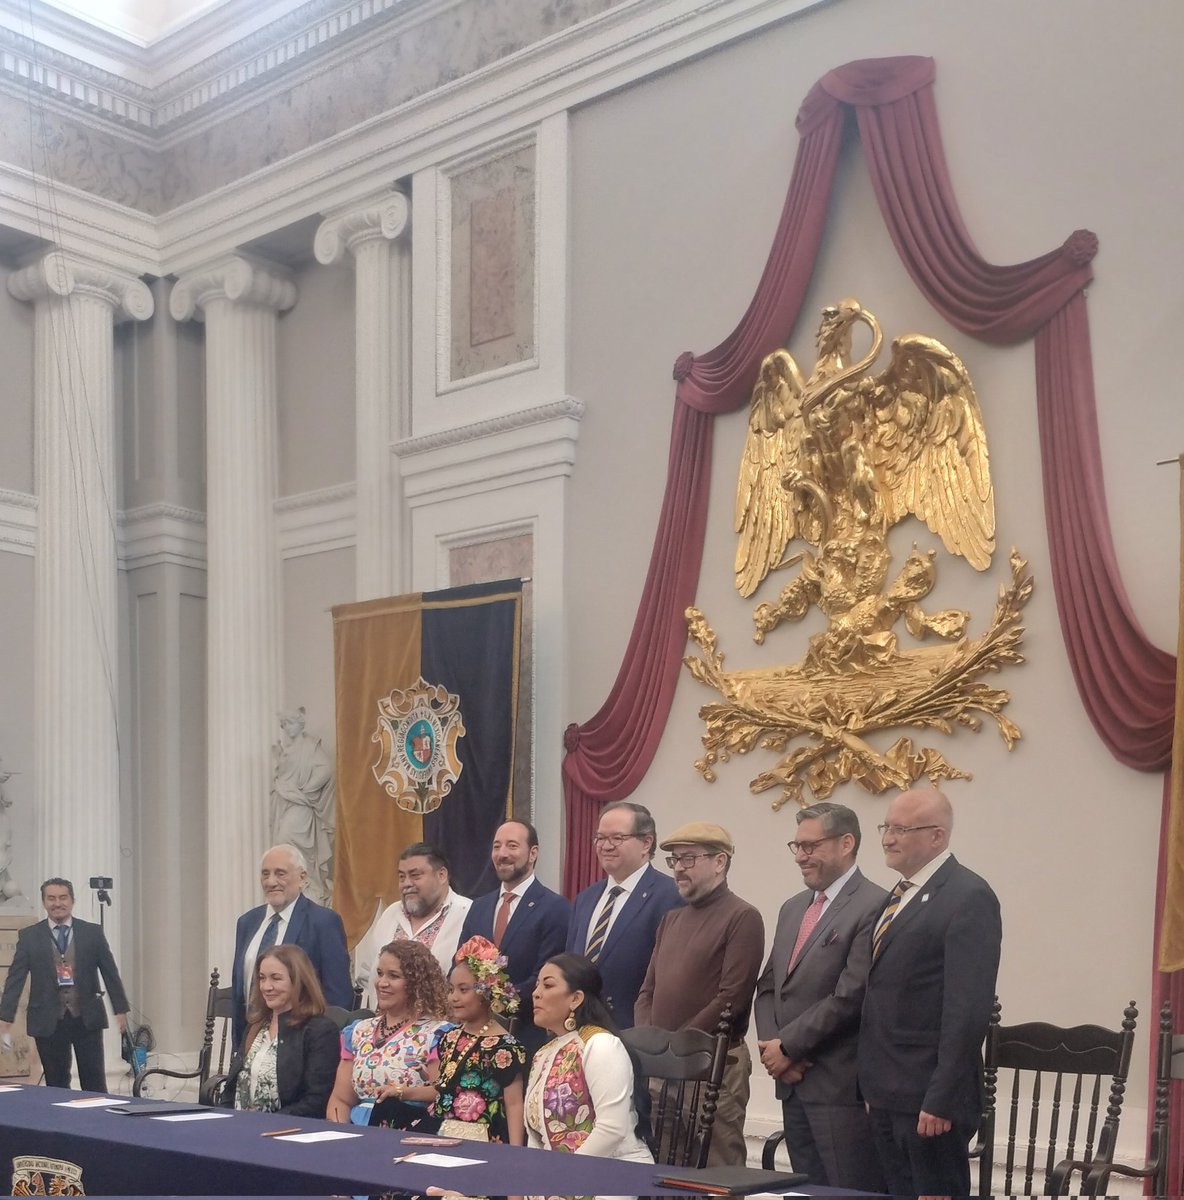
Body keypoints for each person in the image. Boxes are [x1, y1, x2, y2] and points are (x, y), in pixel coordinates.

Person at [858, 787, 1002, 1198]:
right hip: (887, 1092)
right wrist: (873, 1088)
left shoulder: (968, 895)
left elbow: (968, 1010)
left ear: (937, 836)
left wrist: (941, 1097)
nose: (887, 838)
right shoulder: (899, 895)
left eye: (901, 829)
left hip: (928, 1100)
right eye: (886, 827)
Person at [754, 802, 887, 1190]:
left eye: (810, 846)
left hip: (838, 1086)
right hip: (791, 1082)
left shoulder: (874, 904)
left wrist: (790, 1046)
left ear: (846, 843)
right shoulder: (792, 908)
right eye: (796, 846)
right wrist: (773, 1050)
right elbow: (767, 988)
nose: (800, 856)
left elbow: (851, 994)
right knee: (805, 1191)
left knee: (847, 1191)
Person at [635, 821, 763, 1167]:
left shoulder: (742, 917)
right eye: (674, 860)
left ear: (719, 862)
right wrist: (651, 1044)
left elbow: (731, 998)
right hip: (663, 1067)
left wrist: (676, 1045)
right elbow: (647, 991)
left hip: (715, 1068)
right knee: (665, 1166)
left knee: (717, 1169)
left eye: (688, 859)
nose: (678, 868)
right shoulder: (671, 920)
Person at [0, 877, 129, 1091]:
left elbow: (110, 972)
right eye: (51, 898)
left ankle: (97, 1122)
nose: (57, 903)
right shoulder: (30, 936)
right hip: (48, 1020)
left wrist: (120, 1008)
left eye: (62, 898)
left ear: (72, 901)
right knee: (56, 1084)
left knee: (94, 1082)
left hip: (86, 1018)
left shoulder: (92, 933)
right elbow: (16, 977)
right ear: (44, 902)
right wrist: (5, 1015)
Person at [526, 953, 653, 1161]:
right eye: (537, 985)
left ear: (575, 998)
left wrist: (562, 1175)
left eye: (547, 986)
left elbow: (612, 1129)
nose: (536, 993)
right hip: (557, 1175)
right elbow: (535, 1135)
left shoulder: (601, 1045)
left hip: (608, 1171)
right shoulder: (543, 1053)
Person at [565, 801, 681, 1028]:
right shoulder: (585, 899)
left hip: (635, 1033)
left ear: (646, 843)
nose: (605, 846)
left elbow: (669, 979)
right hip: (579, 1030)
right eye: (600, 838)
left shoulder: (670, 896)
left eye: (617, 838)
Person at [459, 820, 570, 1052]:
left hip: (528, 1034)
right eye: (496, 846)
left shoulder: (554, 907)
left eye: (512, 846)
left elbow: (545, 974)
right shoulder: (479, 906)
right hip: (475, 1033)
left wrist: (496, 1002)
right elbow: (460, 962)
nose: (502, 854)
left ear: (533, 853)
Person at [231, 844, 352, 1044]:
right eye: (265, 874)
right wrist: (239, 1046)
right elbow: (240, 988)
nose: (271, 882)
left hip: (301, 1044)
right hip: (251, 1042)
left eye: (280, 873)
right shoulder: (247, 923)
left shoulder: (323, 922)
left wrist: (321, 1046)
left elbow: (338, 995)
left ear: (302, 877)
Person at [326, 939, 451, 1128]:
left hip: (410, 1130)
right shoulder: (359, 1031)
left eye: (393, 976)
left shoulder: (437, 1034)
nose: (382, 983)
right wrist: (338, 1135)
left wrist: (402, 1092)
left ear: (416, 983)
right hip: (355, 1134)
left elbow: (442, 1093)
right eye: (379, 973)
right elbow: (341, 1099)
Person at [221, 943, 339, 1115]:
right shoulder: (256, 1026)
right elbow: (231, 1088)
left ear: (298, 981)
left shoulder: (320, 1031)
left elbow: (316, 1101)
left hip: (286, 1130)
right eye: (262, 978)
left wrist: (266, 1122)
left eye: (276, 978)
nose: (266, 987)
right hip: (239, 1126)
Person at [432, 935, 526, 1143]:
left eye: (463, 990)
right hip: (442, 1137)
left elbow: (514, 1104)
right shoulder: (448, 1037)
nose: (453, 997)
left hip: (485, 1141)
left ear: (486, 991)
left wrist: (516, 1152)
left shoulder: (505, 1047)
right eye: (451, 989)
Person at [354, 843, 472, 1002]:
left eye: (415, 875)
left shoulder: (468, 914)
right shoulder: (391, 914)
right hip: (385, 1023)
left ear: (442, 875)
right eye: (402, 877)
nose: (407, 883)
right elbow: (367, 974)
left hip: (442, 1024)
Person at [270, 708, 336, 905]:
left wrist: (306, 789)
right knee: (283, 844)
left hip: (302, 805)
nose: (286, 728)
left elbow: (326, 769)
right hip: (286, 803)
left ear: (300, 724)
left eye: (289, 723)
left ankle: (310, 884)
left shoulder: (310, 746)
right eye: (284, 725)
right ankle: (299, 884)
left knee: (288, 839)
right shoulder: (285, 749)